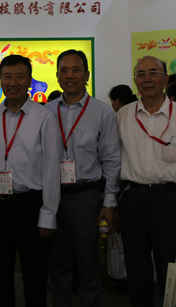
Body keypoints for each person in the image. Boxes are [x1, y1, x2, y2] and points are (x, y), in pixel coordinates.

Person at [116, 56, 176, 307]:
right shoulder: (124, 115)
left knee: (171, 268)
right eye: (141, 74)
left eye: (153, 73)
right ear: (135, 80)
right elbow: (114, 162)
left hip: (168, 200)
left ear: (166, 79)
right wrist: (111, 203)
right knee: (136, 270)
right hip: (132, 199)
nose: (147, 79)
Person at [0, 54, 61, 306]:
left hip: (29, 206)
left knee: (35, 277)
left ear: (30, 81)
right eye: (7, 77)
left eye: (19, 77)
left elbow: (51, 168)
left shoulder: (43, 117)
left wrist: (48, 214)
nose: (13, 82)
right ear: (0, 80)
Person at [45, 50, 121, 307]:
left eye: (76, 70)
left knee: (88, 264)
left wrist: (109, 203)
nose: (70, 75)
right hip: (52, 197)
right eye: (64, 70)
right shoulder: (46, 112)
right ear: (57, 75)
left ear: (87, 75)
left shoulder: (102, 112)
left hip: (86, 197)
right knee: (57, 264)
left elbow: (111, 160)